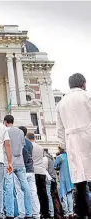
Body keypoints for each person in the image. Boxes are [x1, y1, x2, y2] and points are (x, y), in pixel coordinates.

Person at [56, 73, 91, 217]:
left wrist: (63, 146)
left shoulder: (61, 102)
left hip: (71, 141)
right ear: (83, 83)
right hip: (88, 136)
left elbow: (60, 128)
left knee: (79, 179)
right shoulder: (86, 97)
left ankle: (81, 211)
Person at [3, 115, 32, 219]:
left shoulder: (4, 131)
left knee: (9, 188)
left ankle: (10, 213)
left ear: (5, 122)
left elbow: (4, 146)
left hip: (9, 163)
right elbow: (22, 145)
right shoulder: (20, 132)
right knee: (26, 187)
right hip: (20, 162)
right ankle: (29, 213)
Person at [16, 126, 45, 218]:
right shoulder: (30, 143)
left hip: (22, 170)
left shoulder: (20, 142)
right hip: (31, 170)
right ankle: (36, 213)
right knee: (33, 192)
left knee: (20, 192)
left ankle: (23, 213)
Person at [27, 133, 48, 219]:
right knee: (43, 193)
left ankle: (36, 211)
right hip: (42, 171)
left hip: (33, 171)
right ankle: (45, 212)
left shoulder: (29, 146)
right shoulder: (40, 147)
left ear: (27, 138)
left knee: (34, 193)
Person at [54, 147, 74, 218]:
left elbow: (55, 166)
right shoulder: (69, 157)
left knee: (63, 195)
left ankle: (66, 213)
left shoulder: (59, 157)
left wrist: (59, 166)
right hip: (70, 178)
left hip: (63, 178)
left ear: (60, 150)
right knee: (69, 195)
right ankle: (71, 212)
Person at [44, 149, 63, 219]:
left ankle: (51, 212)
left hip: (49, 179)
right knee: (55, 197)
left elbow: (45, 170)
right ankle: (58, 212)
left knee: (49, 196)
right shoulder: (52, 158)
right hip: (54, 179)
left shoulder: (45, 159)